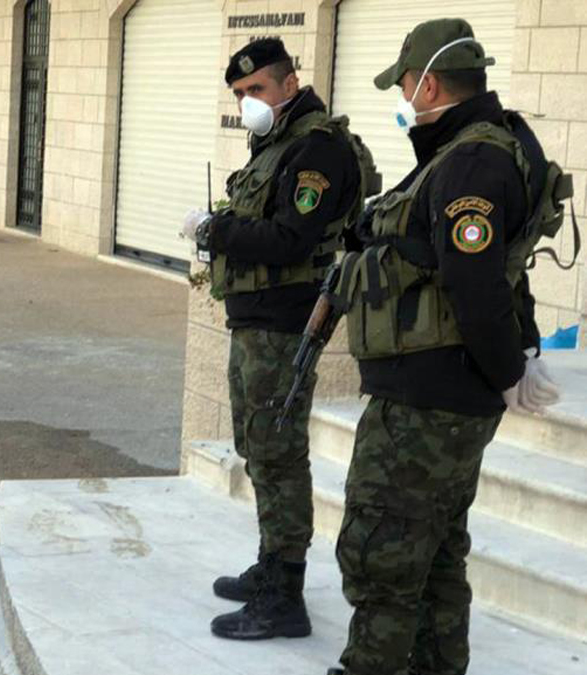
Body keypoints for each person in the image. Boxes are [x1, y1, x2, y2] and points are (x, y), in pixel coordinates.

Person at [327, 19, 566, 675]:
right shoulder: (478, 149)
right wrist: (520, 353)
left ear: (428, 84)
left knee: (381, 551)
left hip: (427, 399)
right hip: (441, 391)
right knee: (433, 554)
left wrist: (510, 368)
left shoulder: (470, 162)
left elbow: (476, 281)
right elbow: (503, 268)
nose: (403, 97)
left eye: (404, 84)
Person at [185, 38, 377, 641]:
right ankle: (271, 564)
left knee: (278, 453)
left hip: (283, 322)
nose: (247, 102)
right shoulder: (278, 142)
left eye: (256, 90)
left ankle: (285, 594)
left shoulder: (316, 150)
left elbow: (291, 240)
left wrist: (215, 230)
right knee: (258, 446)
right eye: (240, 94)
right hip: (255, 320)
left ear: (289, 84)